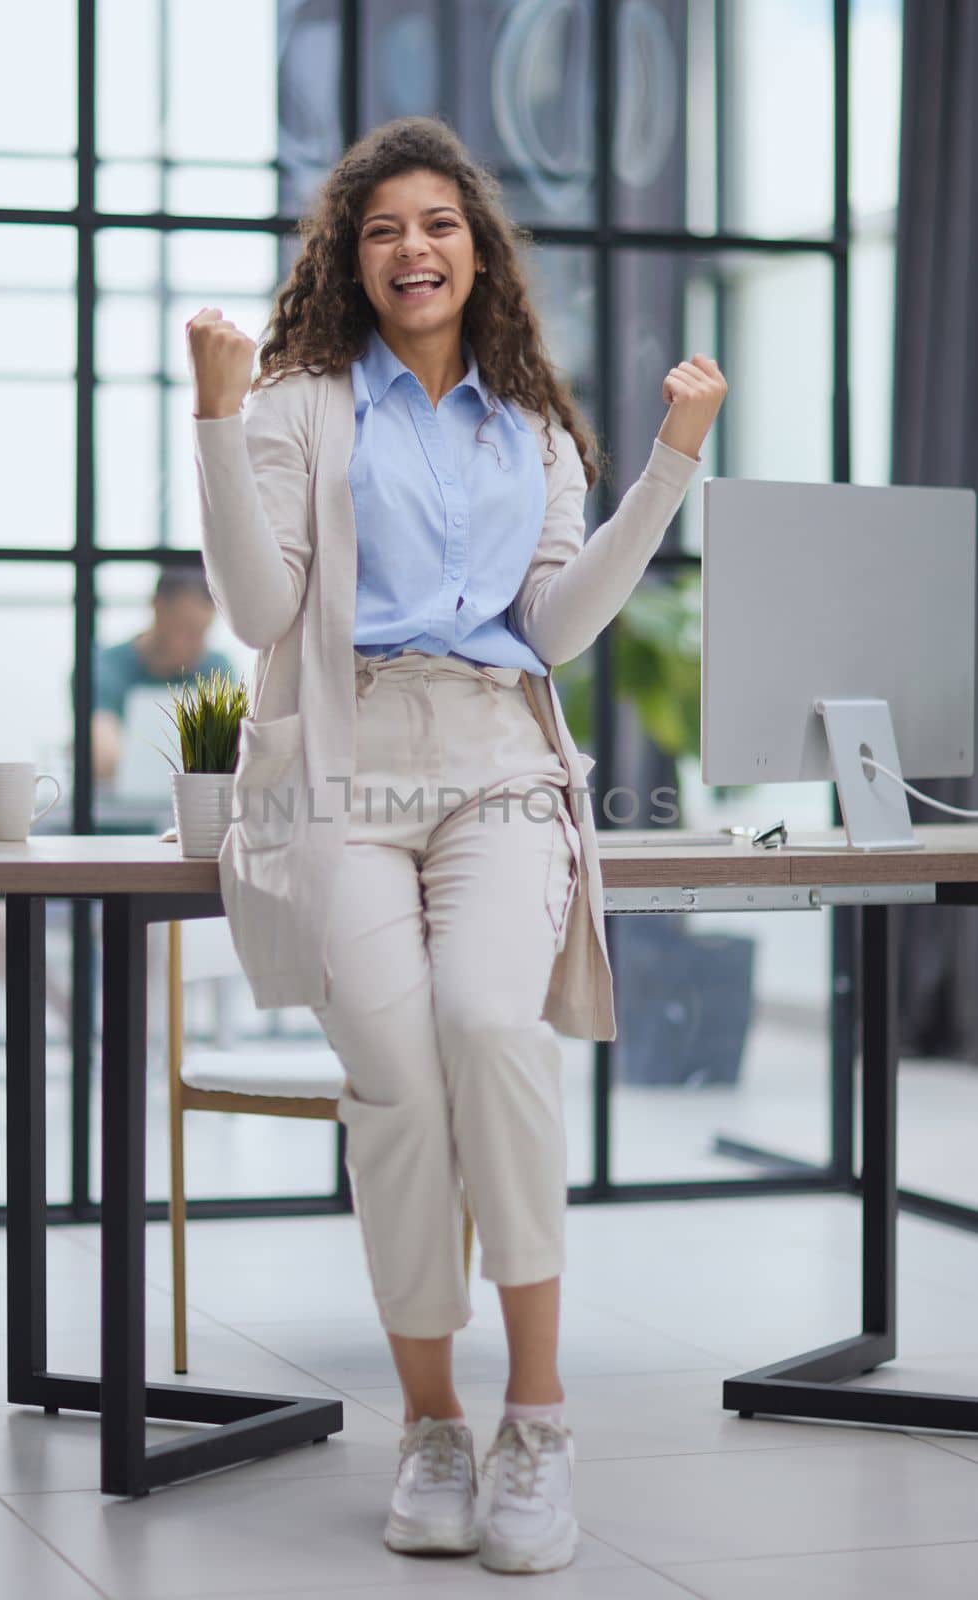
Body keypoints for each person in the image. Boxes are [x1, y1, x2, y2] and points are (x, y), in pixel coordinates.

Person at [187, 115, 725, 1575]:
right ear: (349, 264)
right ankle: (430, 1429)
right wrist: (217, 424)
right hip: (346, 763)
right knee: (397, 1083)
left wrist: (668, 463)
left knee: (492, 1025)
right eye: (378, 230)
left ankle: (533, 1420)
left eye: (434, 224)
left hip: (495, 759)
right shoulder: (301, 404)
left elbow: (552, 629)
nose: (408, 248)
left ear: (473, 250)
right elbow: (254, 608)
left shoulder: (532, 427)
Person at [91, 562, 232, 783]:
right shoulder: (105, 667)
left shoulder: (216, 668)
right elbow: (102, 757)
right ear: (158, 608)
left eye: (203, 632)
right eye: (186, 630)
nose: (197, 644)